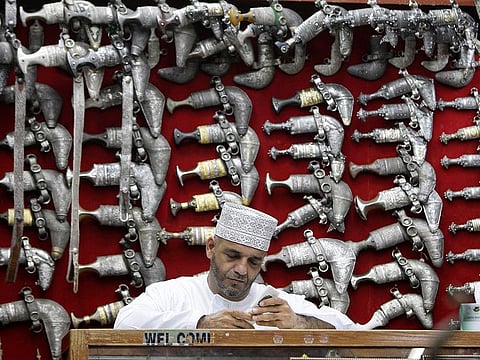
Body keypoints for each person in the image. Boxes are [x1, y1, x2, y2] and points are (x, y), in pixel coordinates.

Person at [114, 202, 358, 330]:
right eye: (232, 256)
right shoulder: (173, 294)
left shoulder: (273, 304)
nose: (242, 270)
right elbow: (125, 324)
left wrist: (299, 323)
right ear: (210, 248)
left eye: (253, 262)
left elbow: (349, 330)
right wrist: (200, 324)